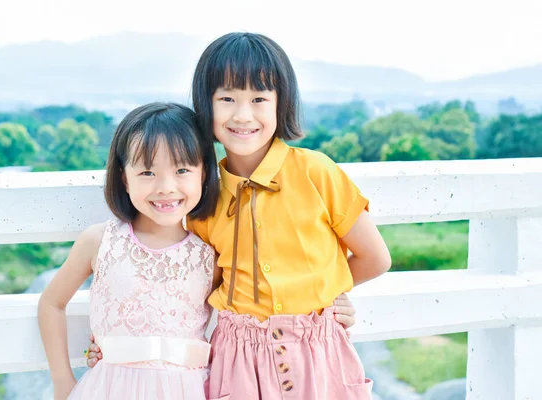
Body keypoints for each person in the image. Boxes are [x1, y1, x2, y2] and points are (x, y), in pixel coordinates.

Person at [88, 32, 391, 399]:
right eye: (227, 98)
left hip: (318, 353)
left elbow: (375, 257)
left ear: (282, 104)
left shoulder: (317, 173)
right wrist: (118, 342)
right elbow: (188, 286)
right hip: (236, 360)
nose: (243, 115)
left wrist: (328, 297)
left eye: (259, 99)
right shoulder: (202, 197)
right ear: (206, 105)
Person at [38, 102, 221, 400]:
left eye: (182, 170)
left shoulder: (210, 255)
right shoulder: (100, 241)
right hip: (108, 388)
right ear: (124, 178)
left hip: (188, 390)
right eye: (147, 172)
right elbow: (52, 303)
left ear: (203, 174)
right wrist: (63, 382)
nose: (165, 187)